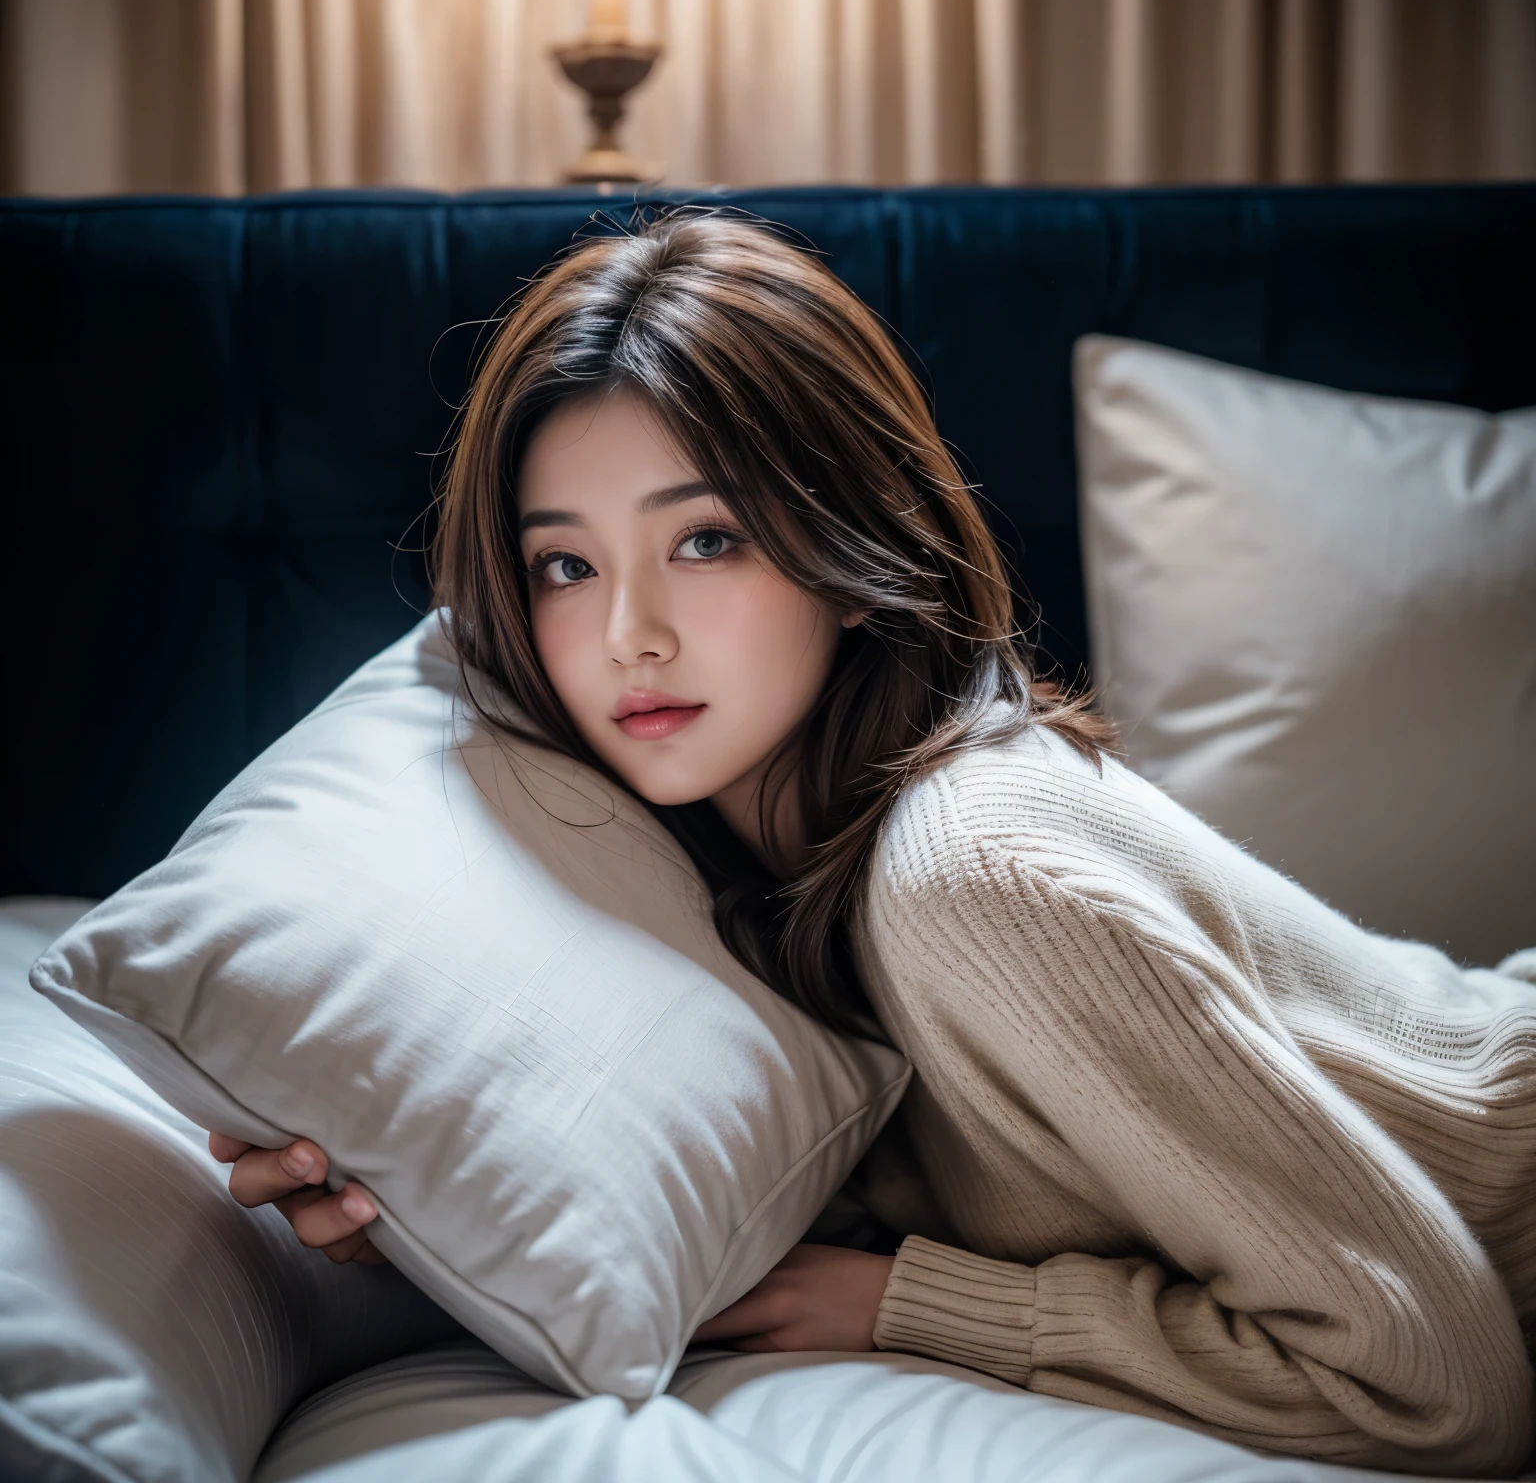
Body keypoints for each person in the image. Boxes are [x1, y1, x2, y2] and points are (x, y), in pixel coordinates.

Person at [209, 212, 1536, 1477]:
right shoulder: (739, 866)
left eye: (708, 539)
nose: (630, 635)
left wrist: (920, 1306)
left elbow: (1435, 1381)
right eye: (565, 565)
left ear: (849, 548)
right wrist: (445, 1200)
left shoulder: (972, 871)